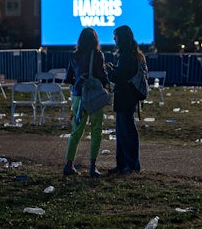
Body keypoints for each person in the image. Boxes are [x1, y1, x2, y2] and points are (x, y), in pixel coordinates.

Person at [62, 27, 109, 177]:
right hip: (94, 96)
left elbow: (69, 78)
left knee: (76, 131)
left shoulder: (74, 56)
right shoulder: (98, 55)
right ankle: (92, 166)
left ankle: (68, 165)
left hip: (78, 96)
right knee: (96, 130)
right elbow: (102, 77)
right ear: (95, 40)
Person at [110, 24, 145, 174]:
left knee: (126, 132)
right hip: (129, 97)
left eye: (116, 36)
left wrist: (110, 72)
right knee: (123, 131)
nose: (114, 39)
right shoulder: (132, 54)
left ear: (121, 38)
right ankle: (124, 164)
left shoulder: (126, 56)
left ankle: (130, 165)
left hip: (125, 97)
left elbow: (121, 77)